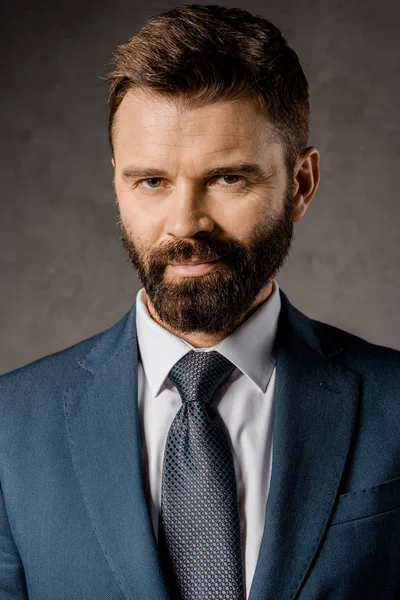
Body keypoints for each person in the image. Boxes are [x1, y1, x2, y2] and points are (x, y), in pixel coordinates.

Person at [1, 4, 399, 599]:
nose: (184, 224)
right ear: (117, 182)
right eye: (151, 182)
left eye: (228, 179)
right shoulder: (9, 427)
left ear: (301, 184)